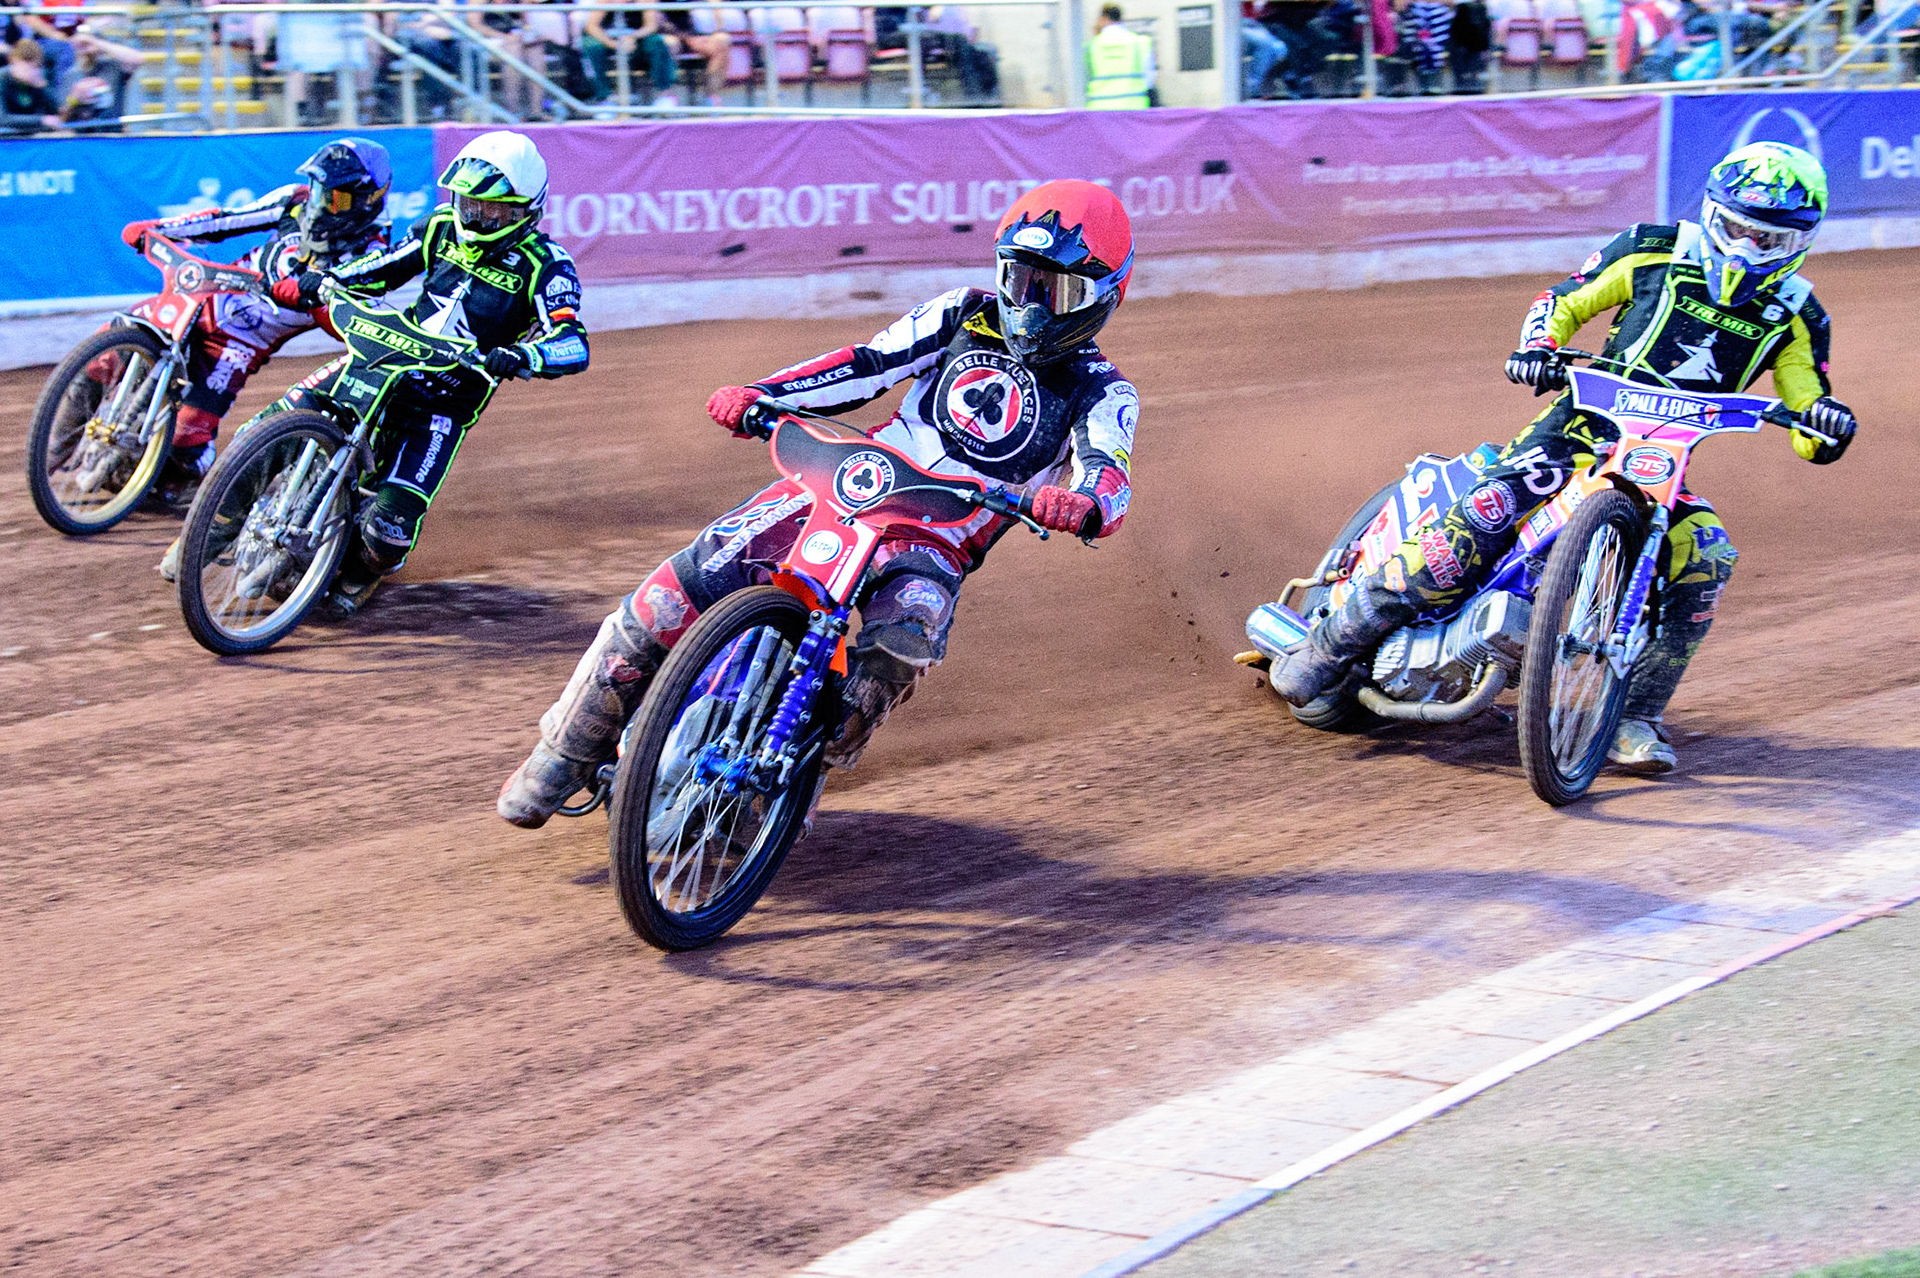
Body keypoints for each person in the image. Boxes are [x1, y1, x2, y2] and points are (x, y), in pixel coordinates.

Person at [497, 179, 1140, 828]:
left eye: (1054, 291)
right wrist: (764, 394)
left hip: (936, 540)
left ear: (1104, 298)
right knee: (668, 596)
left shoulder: (1104, 391)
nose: (1029, 306)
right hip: (844, 483)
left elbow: (1107, 476)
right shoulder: (960, 313)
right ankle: (563, 751)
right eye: (1020, 279)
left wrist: (1081, 505)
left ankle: (795, 776)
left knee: (902, 641)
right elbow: (864, 365)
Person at [1267, 142, 1856, 775]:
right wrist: (1539, 347)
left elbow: (1807, 409)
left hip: (1661, 466)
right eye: (1738, 228)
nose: (1745, 248)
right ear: (1713, 213)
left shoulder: (1798, 313)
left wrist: (1826, 426)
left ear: (1799, 241)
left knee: (1706, 558)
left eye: (1766, 238)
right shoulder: (1652, 248)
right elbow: (1567, 300)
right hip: (1577, 430)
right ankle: (1331, 646)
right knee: (1486, 514)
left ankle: (1634, 717)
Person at [257, 131, 589, 616]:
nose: (474, 216)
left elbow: (572, 342)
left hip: (443, 403)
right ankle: (216, 525)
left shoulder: (549, 265)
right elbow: (383, 266)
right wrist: (329, 281)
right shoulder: (440, 227)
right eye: (467, 202)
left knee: (389, 532)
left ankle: (358, 570)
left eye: (490, 210)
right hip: (384, 359)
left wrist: (525, 357)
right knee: (268, 428)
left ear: (524, 209)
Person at [126, 139, 393, 515]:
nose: (320, 202)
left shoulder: (372, 252)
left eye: (335, 198)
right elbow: (225, 220)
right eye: (319, 189)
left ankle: (186, 474)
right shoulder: (294, 200)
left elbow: (355, 317)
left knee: (187, 438)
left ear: (368, 200)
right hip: (207, 295)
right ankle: (57, 448)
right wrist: (160, 229)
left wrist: (311, 300)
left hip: (242, 341)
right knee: (107, 356)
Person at [1086, 3, 1154, 109]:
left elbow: (1084, 78)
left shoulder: (1092, 45)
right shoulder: (1139, 42)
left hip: (1100, 109)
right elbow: (1149, 78)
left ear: (1102, 18)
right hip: (1134, 107)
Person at [1, 38, 60, 132]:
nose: (30, 71)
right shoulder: (2, 79)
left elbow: (57, 113)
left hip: (32, 134)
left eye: (35, 67)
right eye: (25, 64)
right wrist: (40, 120)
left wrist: (43, 88)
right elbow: (2, 118)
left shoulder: (38, 79)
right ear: (13, 61)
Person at [1243, 0, 1290, 97]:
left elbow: (1259, 9)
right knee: (1265, 45)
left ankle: (1269, 88)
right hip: (1235, 25)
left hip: (1254, 25)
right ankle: (1252, 87)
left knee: (1280, 48)